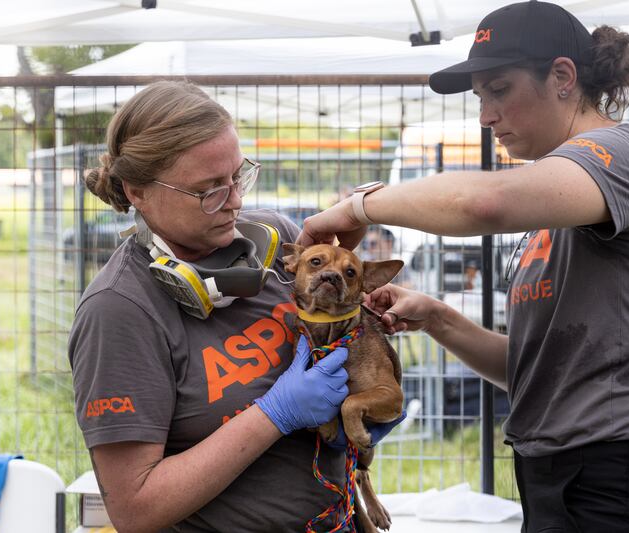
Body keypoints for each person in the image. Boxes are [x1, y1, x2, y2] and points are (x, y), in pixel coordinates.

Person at [298, 2, 629, 531]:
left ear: (562, 77)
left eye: (499, 90)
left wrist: (357, 207)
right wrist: (438, 318)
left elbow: (484, 203)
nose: (485, 115)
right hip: (560, 476)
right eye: (480, 97)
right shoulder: (564, 202)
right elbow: (534, 369)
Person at [68, 81, 400, 533]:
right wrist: (274, 414)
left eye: (237, 176)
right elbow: (135, 509)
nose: (236, 201)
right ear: (139, 191)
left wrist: (365, 327)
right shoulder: (119, 310)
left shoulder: (273, 241)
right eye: (209, 190)